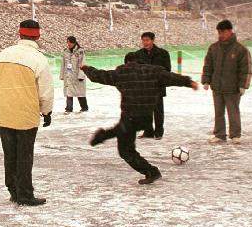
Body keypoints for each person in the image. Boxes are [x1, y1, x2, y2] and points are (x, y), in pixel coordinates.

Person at [83, 53, 199, 184]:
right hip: (146, 119)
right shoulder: (154, 71)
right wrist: (189, 82)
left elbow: (100, 75)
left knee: (125, 150)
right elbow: (172, 77)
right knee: (123, 131)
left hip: (130, 116)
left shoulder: (123, 72)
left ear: (127, 62)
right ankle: (103, 136)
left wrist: (86, 68)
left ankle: (151, 171)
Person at [0, 19, 54, 206]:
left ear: (19, 34)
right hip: (26, 114)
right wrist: (47, 112)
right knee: (24, 155)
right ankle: (25, 194)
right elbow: (45, 90)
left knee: (9, 154)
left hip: (3, 112)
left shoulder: (3, 55)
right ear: (38, 36)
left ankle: (13, 191)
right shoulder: (38, 59)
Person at [202, 20, 252, 144]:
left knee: (233, 112)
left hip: (233, 88)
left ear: (230, 31)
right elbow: (208, 65)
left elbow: (246, 68)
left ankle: (235, 135)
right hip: (217, 87)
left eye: (223, 32)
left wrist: (243, 85)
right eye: (219, 32)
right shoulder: (213, 48)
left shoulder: (241, 49)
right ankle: (219, 134)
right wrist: (206, 80)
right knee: (218, 112)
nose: (221, 35)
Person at [133, 31, 171, 139]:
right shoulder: (138, 54)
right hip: (144, 88)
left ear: (153, 40)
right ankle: (148, 132)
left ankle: (159, 132)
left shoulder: (163, 54)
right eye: (143, 40)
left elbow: (167, 70)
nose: (145, 42)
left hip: (157, 87)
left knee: (158, 111)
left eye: (147, 40)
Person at [60, 36, 88, 112]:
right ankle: (68, 109)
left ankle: (84, 108)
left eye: (69, 42)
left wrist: (81, 75)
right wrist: (62, 75)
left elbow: (83, 63)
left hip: (77, 75)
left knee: (80, 93)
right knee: (69, 93)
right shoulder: (65, 51)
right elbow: (63, 64)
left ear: (74, 42)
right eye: (67, 42)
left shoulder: (80, 51)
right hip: (68, 75)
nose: (68, 44)